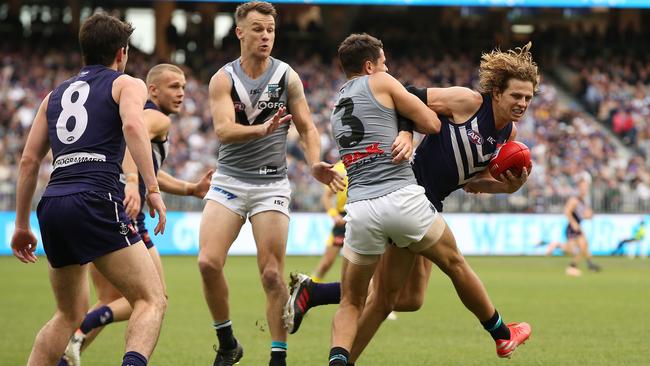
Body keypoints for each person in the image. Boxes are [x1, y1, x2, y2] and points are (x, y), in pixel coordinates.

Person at [286, 39, 537, 365]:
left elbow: (472, 183)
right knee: (387, 298)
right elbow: (408, 95)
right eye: (516, 95)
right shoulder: (468, 101)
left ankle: (316, 294)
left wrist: (506, 189)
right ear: (497, 92)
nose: (522, 102)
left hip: (429, 203)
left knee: (408, 299)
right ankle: (502, 334)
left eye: (528, 97)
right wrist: (406, 133)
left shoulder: (508, 138)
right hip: (408, 192)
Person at [10, 13, 167, 366]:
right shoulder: (127, 84)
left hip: (53, 204)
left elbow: (29, 162)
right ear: (122, 52)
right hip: (96, 197)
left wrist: (21, 224)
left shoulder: (53, 96)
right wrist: (151, 187)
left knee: (68, 313)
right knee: (151, 298)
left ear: (84, 51)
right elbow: (131, 124)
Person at [197, 2, 343, 366]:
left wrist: (313, 163)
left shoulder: (286, 76)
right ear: (240, 33)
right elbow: (223, 130)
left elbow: (307, 126)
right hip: (229, 181)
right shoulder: (223, 78)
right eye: (258, 29)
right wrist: (261, 129)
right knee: (207, 263)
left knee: (272, 274)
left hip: (270, 186)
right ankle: (227, 342)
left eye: (271, 30)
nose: (265, 36)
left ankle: (278, 358)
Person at [60, 64, 213, 366]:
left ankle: (67, 356)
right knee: (156, 299)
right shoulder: (154, 116)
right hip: (126, 212)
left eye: (183, 86)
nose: (181, 92)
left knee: (108, 300)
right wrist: (132, 182)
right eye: (173, 86)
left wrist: (190, 188)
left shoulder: (140, 114)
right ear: (153, 90)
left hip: (98, 208)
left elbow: (150, 168)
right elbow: (134, 137)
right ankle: (91, 329)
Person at [311, 160, 348, 283]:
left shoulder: (368, 161)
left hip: (363, 217)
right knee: (326, 263)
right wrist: (335, 215)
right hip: (343, 220)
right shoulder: (337, 168)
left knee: (360, 266)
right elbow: (326, 196)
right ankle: (308, 290)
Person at [562, 178, 601, 276]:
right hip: (572, 228)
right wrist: (573, 223)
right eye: (583, 187)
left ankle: (589, 264)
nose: (585, 189)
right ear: (579, 188)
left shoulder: (582, 201)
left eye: (586, 187)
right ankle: (572, 265)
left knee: (584, 245)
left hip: (577, 227)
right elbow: (567, 211)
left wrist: (589, 215)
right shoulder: (574, 199)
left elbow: (584, 214)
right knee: (571, 249)